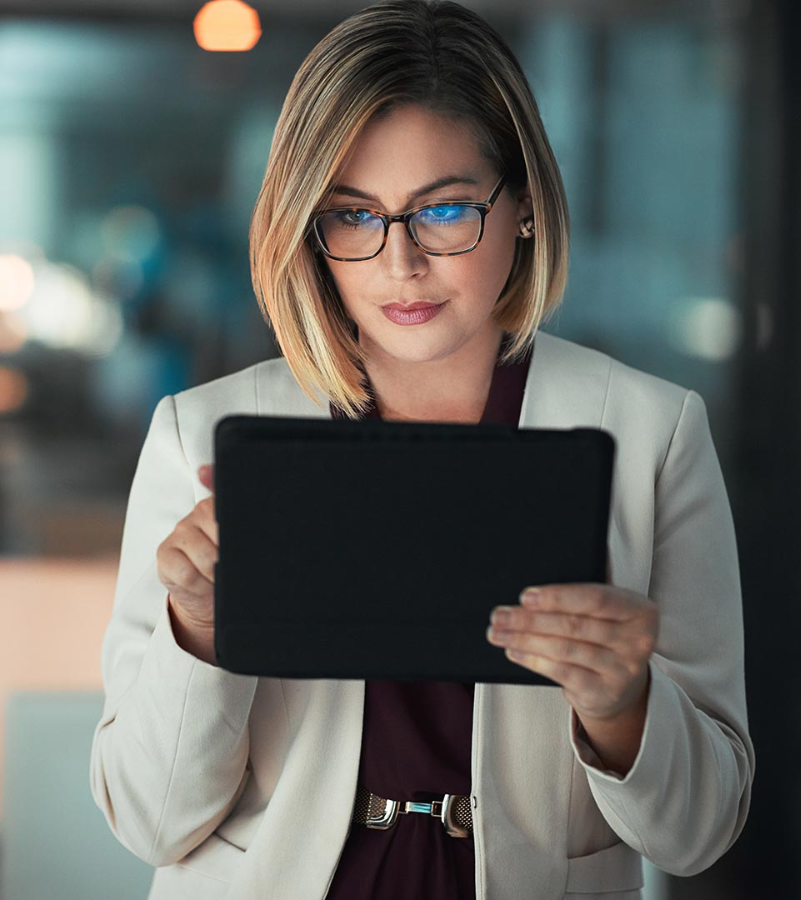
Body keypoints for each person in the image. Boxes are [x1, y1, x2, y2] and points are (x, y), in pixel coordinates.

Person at [89, 1, 755, 898]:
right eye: (353, 217)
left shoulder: (653, 434)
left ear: (522, 206)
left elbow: (702, 831)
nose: (399, 263)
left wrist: (622, 708)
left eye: (443, 210)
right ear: (309, 232)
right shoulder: (197, 436)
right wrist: (199, 634)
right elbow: (148, 820)